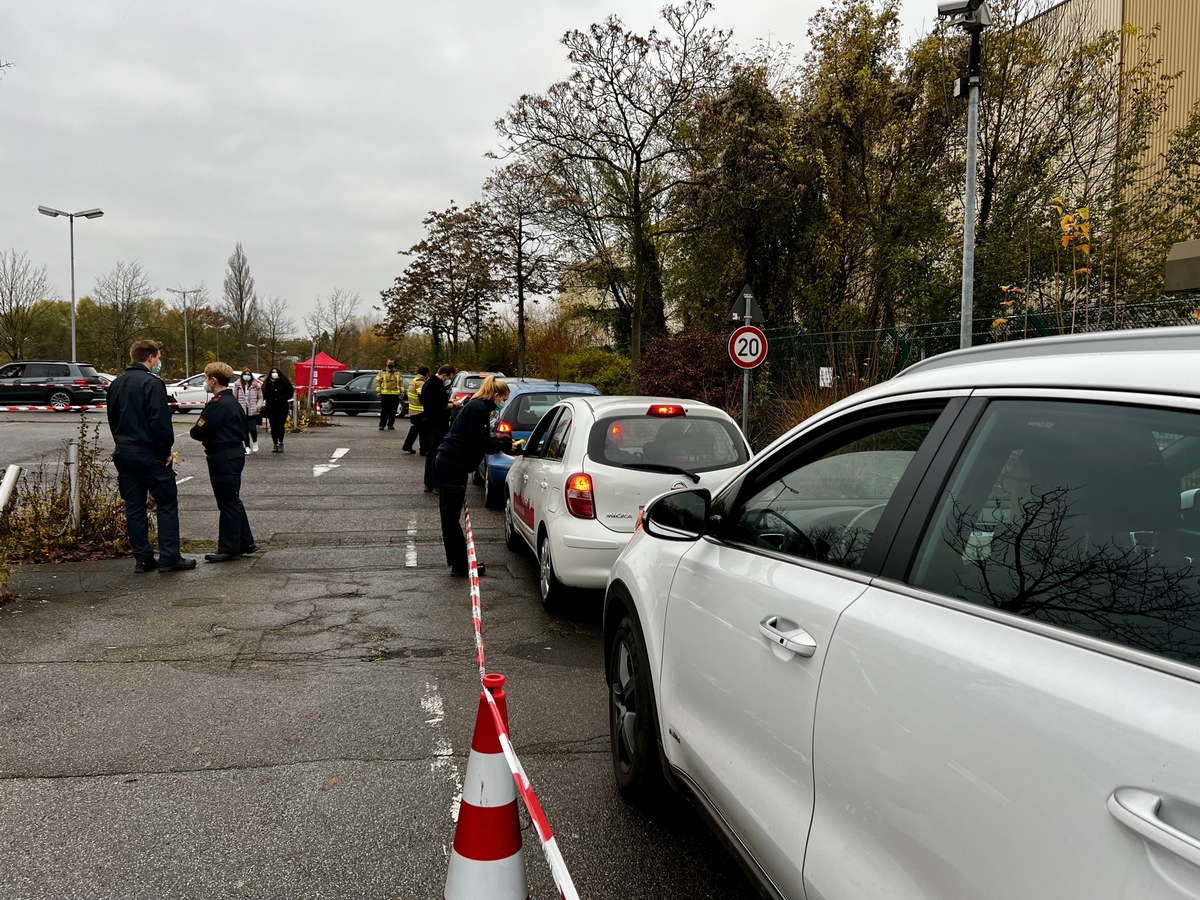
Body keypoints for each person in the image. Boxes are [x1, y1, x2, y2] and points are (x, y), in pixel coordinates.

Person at [106, 340, 196, 573]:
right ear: (150, 357)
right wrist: (165, 451)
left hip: (124, 452)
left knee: (134, 506)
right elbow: (160, 422)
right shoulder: (152, 384)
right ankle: (169, 557)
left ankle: (143, 558)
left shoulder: (116, 384)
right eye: (158, 356)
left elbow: (112, 418)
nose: (158, 361)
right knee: (166, 502)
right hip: (148, 454)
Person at [434, 376, 512, 576]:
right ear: (495, 395)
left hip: (450, 462)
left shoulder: (475, 406)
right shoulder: (479, 410)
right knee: (451, 518)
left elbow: (476, 437)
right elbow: (481, 442)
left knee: (450, 517)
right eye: (502, 400)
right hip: (453, 464)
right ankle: (460, 565)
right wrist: (504, 445)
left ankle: (459, 562)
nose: (501, 404)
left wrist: (496, 438)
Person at [190, 362, 258, 563]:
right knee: (233, 499)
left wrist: (199, 433)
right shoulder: (232, 401)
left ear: (213, 380)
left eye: (206, 378)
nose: (205, 382)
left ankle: (228, 548)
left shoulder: (218, 404)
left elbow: (199, 431)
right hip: (233, 453)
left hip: (223, 455)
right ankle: (245, 541)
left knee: (227, 502)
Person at [420, 364, 456, 492]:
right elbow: (442, 406)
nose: (448, 380)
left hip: (429, 422)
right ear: (444, 375)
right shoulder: (437, 386)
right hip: (438, 423)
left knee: (431, 453)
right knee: (438, 453)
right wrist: (455, 404)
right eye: (449, 377)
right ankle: (437, 484)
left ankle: (428, 483)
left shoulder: (427, 384)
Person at [262, 366, 294, 452]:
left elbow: (290, 391)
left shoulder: (284, 382)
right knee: (273, 426)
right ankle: (275, 443)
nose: (274, 373)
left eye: (276, 372)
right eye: (273, 372)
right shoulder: (267, 383)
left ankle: (281, 442)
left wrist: (284, 398)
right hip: (271, 407)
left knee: (280, 425)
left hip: (282, 406)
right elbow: (263, 393)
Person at [233, 368, 265, 452]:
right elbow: (234, 398)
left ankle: (255, 441)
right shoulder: (237, 385)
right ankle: (247, 446)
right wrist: (237, 409)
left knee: (253, 429)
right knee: (244, 430)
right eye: (245, 374)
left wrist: (258, 406)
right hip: (242, 411)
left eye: (248, 374)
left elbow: (260, 397)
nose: (247, 376)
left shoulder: (256, 386)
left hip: (253, 411)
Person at [401, 365, 429, 454]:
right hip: (420, 410)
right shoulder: (421, 383)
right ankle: (423, 450)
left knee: (415, 428)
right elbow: (422, 397)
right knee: (423, 431)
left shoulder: (412, 381)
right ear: (426, 374)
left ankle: (407, 446)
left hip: (413, 409)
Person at [376, 359, 404, 431]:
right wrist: (378, 391)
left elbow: (401, 383)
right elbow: (378, 382)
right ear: (387, 363)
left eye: (391, 363)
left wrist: (402, 391)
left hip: (395, 394)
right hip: (385, 394)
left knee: (393, 411)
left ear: (393, 364)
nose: (390, 364)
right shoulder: (382, 372)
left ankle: (390, 425)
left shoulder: (397, 373)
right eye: (389, 363)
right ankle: (382, 425)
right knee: (384, 411)